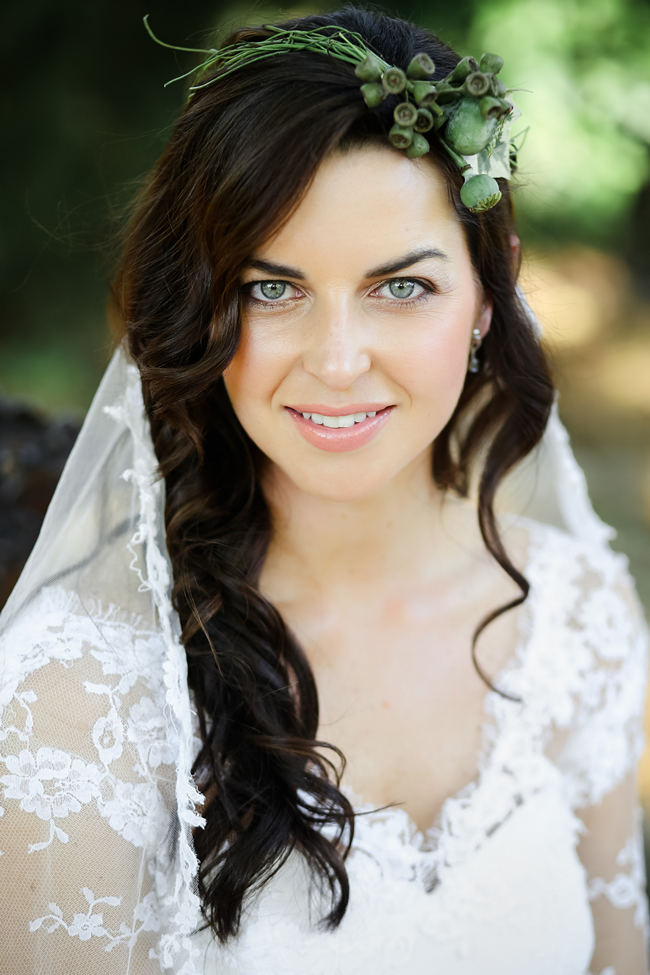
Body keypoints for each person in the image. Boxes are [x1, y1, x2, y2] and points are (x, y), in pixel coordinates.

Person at [0, 5, 648, 973]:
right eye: (272, 288)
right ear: (201, 305)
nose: (337, 363)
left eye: (400, 287)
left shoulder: (573, 617)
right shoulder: (82, 690)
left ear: (487, 293)